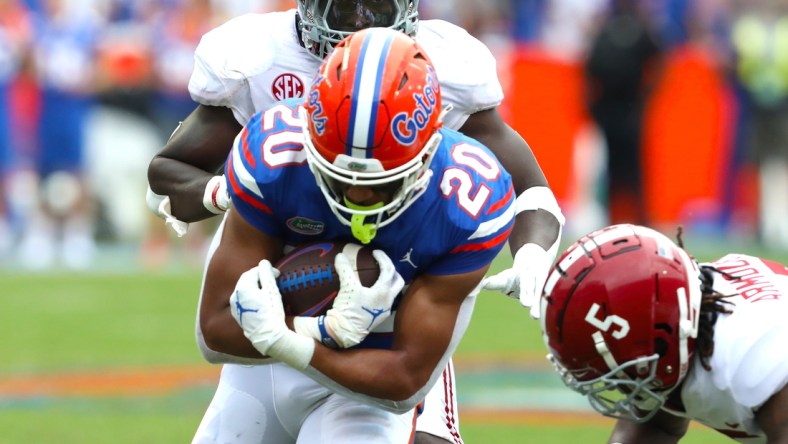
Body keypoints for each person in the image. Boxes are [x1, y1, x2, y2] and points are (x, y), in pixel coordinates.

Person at [146, 1, 565, 443]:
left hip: (390, 301)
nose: (362, 21)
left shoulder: (446, 109)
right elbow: (216, 326)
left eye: (377, 6)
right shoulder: (270, 132)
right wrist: (234, 191)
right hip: (275, 282)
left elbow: (529, 188)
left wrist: (533, 251)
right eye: (347, 8)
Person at [540, 223, 788, 442]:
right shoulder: (689, 322)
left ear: (661, 339)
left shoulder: (759, 357)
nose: (615, 384)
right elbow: (658, 424)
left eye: (619, 370)